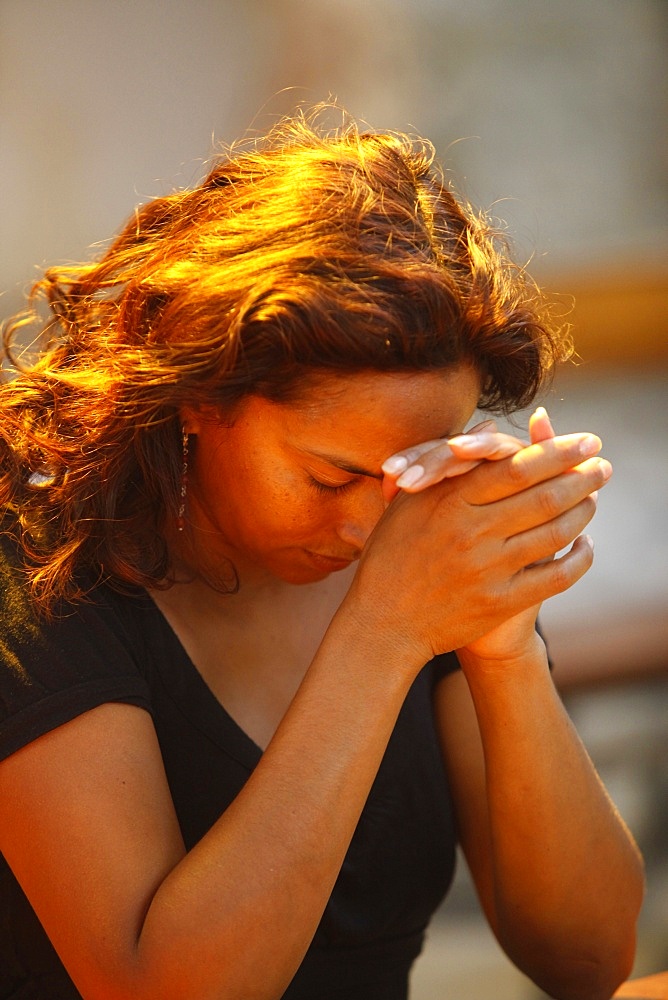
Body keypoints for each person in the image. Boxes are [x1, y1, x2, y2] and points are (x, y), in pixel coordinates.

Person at [0, 107, 643, 1000]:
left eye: (401, 478)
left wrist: (504, 650)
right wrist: (383, 632)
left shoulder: (418, 550)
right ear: (199, 394)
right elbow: (157, 989)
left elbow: (587, 959)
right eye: (331, 474)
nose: (365, 531)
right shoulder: (37, 573)